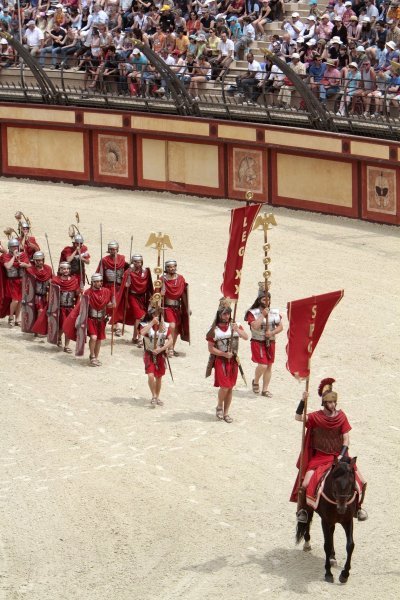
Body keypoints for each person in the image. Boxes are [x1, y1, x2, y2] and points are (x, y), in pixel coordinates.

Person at [291, 378, 368, 523]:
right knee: (305, 485)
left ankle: (357, 508)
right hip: (320, 458)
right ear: (324, 403)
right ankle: (304, 512)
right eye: (329, 402)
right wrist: (302, 400)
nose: (332, 405)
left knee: (362, 482)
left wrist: (341, 455)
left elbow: (346, 439)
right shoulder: (316, 417)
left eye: (334, 402)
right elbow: (298, 417)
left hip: (341, 456)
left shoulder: (341, 416)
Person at [206, 298, 248, 423]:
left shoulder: (235, 325)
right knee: (224, 386)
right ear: (219, 314)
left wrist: (237, 330)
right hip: (221, 361)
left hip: (234, 361)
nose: (227, 316)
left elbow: (246, 337)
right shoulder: (214, 329)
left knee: (230, 387)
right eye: (224, 313)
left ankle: (226, 412)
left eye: (228, 313)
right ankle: (219, 405)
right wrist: (224, 354)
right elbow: (211, 348)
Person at [244, 283, 283, 397]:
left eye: (268, 299)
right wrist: (262, 315)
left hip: (270, 341)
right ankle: (256, 381)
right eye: (264, 299)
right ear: (259, 300)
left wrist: (271, 332)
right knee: (263, 365)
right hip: (258, 341)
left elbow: (280, 327)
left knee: (269, 365)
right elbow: (254, 326)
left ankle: (265, 389)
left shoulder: (274, 312)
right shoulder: (253, 313)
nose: (266, 301)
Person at [113, 254, 153, 345]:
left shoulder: (146, 272)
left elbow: (149, 285)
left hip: (143, 297)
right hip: (133, 297)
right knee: (139, 316)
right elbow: (124, 287)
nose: (137, 264)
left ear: (142, 262)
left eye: (139, 262)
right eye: (135, 262)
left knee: (140, 318)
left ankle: (134, 337)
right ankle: (140, 338)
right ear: (132, 262)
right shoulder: (128, 272)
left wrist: (151, 296)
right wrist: (126, 285)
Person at [139, 302, 173, 407]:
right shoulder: (145, 324)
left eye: (158, 313)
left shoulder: (165, 326)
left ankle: (157, 397)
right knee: (150, 376)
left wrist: (162, 349)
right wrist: (152, 323)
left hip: (160, 354)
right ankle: (153, 395)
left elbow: (170, 340)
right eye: (154, 313)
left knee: (159, 377)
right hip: (149, 353)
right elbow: (142, 333)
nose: (156, 315)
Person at [98, 240, 127, 336]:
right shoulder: (104, 260)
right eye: (110, 249)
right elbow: (100, 273)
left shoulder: (122, 259)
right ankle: (110, 323)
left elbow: (127, 269)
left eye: (114, 249)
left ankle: (115, 325)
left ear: (117, 249)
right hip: (109, 286)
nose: (112, 251)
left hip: (119, 286)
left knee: (117, 306)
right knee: (110, 304)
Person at [84, 273, 114, 366]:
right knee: (93, 337)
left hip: (101, 319)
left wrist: (113, 303)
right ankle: (92, 356)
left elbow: (108, 304)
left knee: (99, 339)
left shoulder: (106, 291)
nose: (99, 283)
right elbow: (83, 307)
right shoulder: (88, 293)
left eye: (100, 281)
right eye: (97, 281)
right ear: (92, 282)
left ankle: (95, 358)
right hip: (91, 319)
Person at [0, 238, 30, 327]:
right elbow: (8, 266)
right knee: (15, 300)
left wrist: (25, 265)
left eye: (16, 246)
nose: (15, 248)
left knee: (20, 301)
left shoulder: (23, 255)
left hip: (21, 280)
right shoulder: (5, 256)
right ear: (9, 247)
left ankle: (17, 319)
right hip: (12, 281)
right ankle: (10, 318)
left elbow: (30, 266)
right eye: (12, 247)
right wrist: (14, 256)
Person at [52, 261, 81, 352]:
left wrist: (79, 292)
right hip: (60, 308)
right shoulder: (55, 280)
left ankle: (67, 346)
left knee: (68, 327)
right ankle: (59, 338)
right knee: (61, 327)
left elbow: (76, 294)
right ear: (60, 270)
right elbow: (52, 295)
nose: (66, 270)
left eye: (67, 269)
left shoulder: (74, 280)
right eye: (64, 269)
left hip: (70, 308)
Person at [161, 259, 188, 357]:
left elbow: (184, 294)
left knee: (176, 328)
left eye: (173, 266)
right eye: (169, 267)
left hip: (177, 307)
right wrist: (161, 293)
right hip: (167, 307)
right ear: (166, 268)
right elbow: (156, 294)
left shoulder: (180, 278)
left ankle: (172, 347)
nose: (172, 268)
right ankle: (170, 348)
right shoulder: (162, 279)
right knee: (171, 326)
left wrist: (187, 308)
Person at [27, 251, 52, 336]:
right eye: (37, 260)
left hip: (46, 295)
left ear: (43, 260)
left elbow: (51, 280)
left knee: (47, 313)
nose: (39, 262)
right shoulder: (31, 270)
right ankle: (36, 330)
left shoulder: (48, 269)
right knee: (40, 311)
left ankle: (43, 329)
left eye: (40, 260)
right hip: (36, 295)